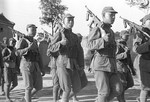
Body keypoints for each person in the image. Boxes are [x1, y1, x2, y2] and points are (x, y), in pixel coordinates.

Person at [87, 6, 123, 102]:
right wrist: (102, 40)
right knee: (104, 92)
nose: (113, 17)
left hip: (111, 65)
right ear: (103, 15)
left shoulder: (110, 30)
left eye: (114, 15)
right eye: (111, 15)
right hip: (100, 64)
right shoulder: (97, 29)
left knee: (118, 89)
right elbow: (89, 45)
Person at [48, 13, 84, 102]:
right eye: (69, 20)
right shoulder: (59, 34)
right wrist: (60, 43)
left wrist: (81, 65)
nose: (71, 22)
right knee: (67, 89)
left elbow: (79, 51)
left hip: (74, 64)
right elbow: (49, 49)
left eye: (72, 20)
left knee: (78, 87)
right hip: (62, 63)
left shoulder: (75, 36)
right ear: (64, 22)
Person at [16, 24, 45, 102]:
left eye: (35, 30)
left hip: (35, 65)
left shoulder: (35, 41)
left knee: (39, 86)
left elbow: (39, 55)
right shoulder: (23, 40)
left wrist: (42, 68)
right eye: (32, 30)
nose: (34, 32)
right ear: (27, 30)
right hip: (26, 64)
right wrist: (28, 48)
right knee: (28, 87)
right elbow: (17, 53)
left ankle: (25, 99)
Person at [133, 14, 150, 102]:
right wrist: (148, 44)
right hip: (144, 63)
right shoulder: (140, 33)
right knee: (146, 88)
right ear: (145, 22)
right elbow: (136, 49)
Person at [116, 30, 136, 102]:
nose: (127, 37)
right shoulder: (117, 44)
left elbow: (129, 58)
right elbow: (115, 56)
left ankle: (119, 94)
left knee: (130, 83)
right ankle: (121, 99)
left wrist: (132, 69)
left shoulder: (125, 44)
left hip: (126, 67)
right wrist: (125, 54)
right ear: (121, 35)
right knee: (123, 84)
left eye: (128, 35)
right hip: (119, 67)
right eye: (126, 35)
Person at [2, 38, 18, 102]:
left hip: (13, 68)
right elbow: (2, 59)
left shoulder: (15, 49)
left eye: (14, 42)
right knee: (8, 83)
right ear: (9, 42)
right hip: (7, 68)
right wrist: (9, 56)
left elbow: (17, 59)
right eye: (12, 42)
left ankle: (7, 91)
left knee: (15, 84)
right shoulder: (5, 50)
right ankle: (7, 98)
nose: (13, 43)